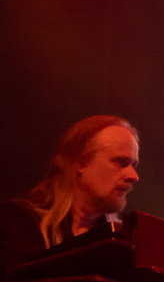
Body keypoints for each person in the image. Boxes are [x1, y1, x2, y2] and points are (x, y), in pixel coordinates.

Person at [0, 115, 141, 272]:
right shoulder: (20, 223)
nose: (134, 176)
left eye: (133, 165)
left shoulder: (123, 244)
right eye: (121, 163)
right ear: (82, 163)